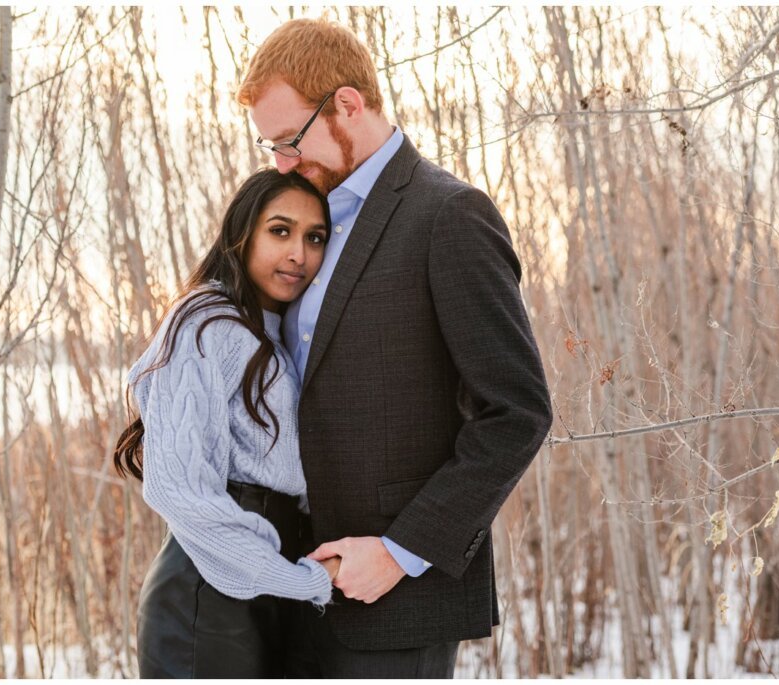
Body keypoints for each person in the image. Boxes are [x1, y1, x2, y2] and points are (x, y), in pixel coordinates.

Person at [235, 18, 554, 678]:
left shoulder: (449, 216)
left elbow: (517, 413)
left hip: (391, 602)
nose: (281, 164)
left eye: (290, 141)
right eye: (270, 148)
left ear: (348, 104)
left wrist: (400, 550)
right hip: (290, 587)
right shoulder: (304, 224)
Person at [114, 169, 340, 678]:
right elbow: (183, 493)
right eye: (279, 231)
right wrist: (302, 581)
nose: (298, 254)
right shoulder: (203, 321)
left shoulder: (274, 331)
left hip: (269, 581)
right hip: (211, 592)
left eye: (315, 238)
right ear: (243, 232)